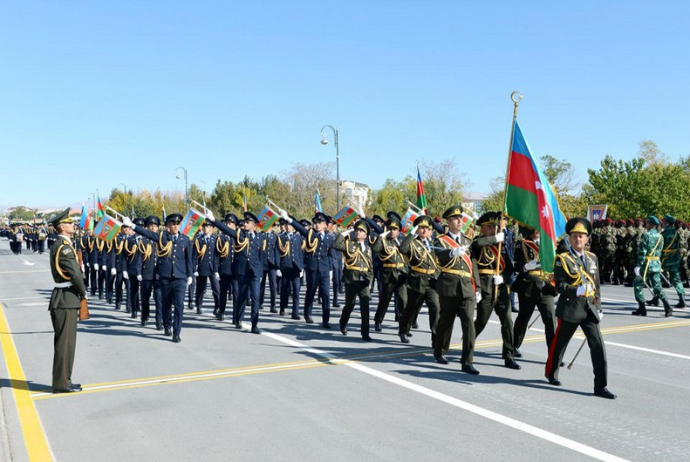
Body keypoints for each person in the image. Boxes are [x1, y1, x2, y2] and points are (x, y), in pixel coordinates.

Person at [545, 217, 616, 399]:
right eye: (575, 236)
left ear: (586, 239)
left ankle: (600, 386)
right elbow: (559, 286)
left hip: (590, 309)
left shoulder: (592, 258)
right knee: (560, 344)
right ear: (570, 239)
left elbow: (597, 284)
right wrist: (577, 291)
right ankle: (551, 373)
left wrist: (599, 306)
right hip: (571, 308)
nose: (578, 239)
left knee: (598, 346)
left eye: (581, 236)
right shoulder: (563, 259)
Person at [125, 214, 193, 343]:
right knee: (166, 304)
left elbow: (188, 259)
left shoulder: (185, 240)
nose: (175, 226)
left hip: (180, 278)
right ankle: (167, 325)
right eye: (173, 224)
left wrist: (190, 275)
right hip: (165, 277)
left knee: (179, 305)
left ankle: (176, 332)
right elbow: (148, 234)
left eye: (178, 224)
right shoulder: (162, 237)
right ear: (168, 226)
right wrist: (133, 226)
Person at [432, 205, 481, 374]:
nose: (460, 221)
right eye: (455, 218)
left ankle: (467, 361)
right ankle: (440, 350)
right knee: (446, 322)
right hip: (449, 286)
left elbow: (473, 265)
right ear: (448, 221)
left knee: (469, 325)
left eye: (461, 218)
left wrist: (478, 287)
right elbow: (439, 255)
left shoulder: (468, 241)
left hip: (467, 288)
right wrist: (452, 252)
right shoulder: (441, 240)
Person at [471, 212, 520, 370]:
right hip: (486, 288)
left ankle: (509, 356)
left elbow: (510, 266)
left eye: (494, 226)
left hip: (501, 288)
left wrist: (504, 277)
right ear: (482, 228)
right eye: (489, 227)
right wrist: (495, 239)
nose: (493, 229)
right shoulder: (478, 242)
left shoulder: (500, 245)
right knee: (481, 322)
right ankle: (468, 345)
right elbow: (477, 245)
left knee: (507, 322)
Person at [206, 210, 267, 334]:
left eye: (248, 222)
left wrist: (260, 273)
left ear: (254, 224)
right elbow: (226, 229)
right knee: (241, 297)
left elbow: (261, 257)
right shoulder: (240, 235)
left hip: (254, 273)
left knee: (255, 298)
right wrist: (214, 220)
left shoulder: (260, 238)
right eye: (244, 221)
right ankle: (238, 318)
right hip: (242, 272)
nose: (245, 223)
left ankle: (254, 324)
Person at [47, 208, 87, 393]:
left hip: (64, 298)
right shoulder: (63, 247)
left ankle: (64, 380)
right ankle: (62, 383)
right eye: (70, 223)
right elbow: (75, 275)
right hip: (66, 298)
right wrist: (84, 293)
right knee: (66, 344)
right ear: (62, 226)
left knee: (66, 343)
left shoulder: (63, 245)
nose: (73, 225)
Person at [280, 210, 334, 328]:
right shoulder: (311, 234)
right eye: (315, 222)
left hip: (324, 269)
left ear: (325, 225)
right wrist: (289, 219)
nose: (317, 224)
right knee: (311, 291)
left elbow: (331, 255)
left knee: (325, 294)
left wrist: (331, 270)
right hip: (313, 268)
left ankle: (326, 319)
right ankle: (307, 314)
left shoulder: (330, 238)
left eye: (320, 222)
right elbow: (300, 228)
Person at [511, 226, 557, 358]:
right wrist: (525, 266)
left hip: (546, 286)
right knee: (523, 317)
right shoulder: (522, 244)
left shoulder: (549, 243)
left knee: (550, 320)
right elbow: (516, 264)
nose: (537, 231)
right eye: (535, 228)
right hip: (528, 285)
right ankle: (514, 345)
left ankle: (553, 353)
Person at [397, 215, 440, 345]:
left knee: (435, 307)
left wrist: (437, 275)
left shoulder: (433, 244)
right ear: (417, 229)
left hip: (431, 281)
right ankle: (403, 330)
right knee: (411, 308)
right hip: (417, 280)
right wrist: (411, 234)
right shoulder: (413, 243)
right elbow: (402, 248)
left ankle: (435, 338)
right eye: (421, 228)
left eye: (426, 228)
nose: (424, 230)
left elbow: (437, 262)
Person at [332, 220, 374, 341]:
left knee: (365, 307)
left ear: (366, 235)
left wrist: (370, 281)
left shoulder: (369, 249)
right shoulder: (349, 244)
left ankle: (365, 333)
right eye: (356, 230)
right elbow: (335, 245)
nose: (358, 232)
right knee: (350, 305)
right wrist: (347, 232)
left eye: (361, 231)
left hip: (363, 281)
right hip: (351, 279)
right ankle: (343, 322)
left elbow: (370, 266)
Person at [632, 216, 672, 317]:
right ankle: (667, 307)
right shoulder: (660, 236)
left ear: (650, 224)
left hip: (646, 264)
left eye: (647, 222)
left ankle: (642, 308)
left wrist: (638, 265)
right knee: (657, 286)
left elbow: (643, 251)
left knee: (638, 285)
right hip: (656, 263)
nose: (645, 224)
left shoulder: (646, 235)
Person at [660, 215, 685, 308]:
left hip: (664, 258)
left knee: (656, 278)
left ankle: (656, 298)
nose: (662, 223)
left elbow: (660, 247)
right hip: (674, 258)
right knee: (676, 278)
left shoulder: (663, 234)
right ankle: (681, 297)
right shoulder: (676, 233)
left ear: (667, 223)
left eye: (663, 221)